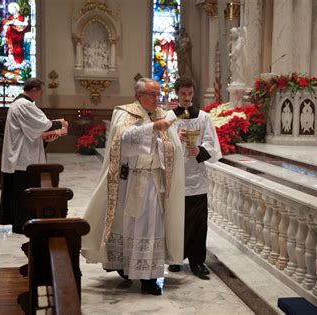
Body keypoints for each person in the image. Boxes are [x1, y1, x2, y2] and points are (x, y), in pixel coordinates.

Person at [81, 78, 185, 296]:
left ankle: (148, 277)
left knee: (150, 228)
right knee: (128, 226)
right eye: (153, 95)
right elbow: (122, 140)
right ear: (140, 96)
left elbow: (168, 145)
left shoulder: (161, 114)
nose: (158, 99)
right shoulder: (125, 112)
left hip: (154, 182)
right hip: (132, 182)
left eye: (159, 94)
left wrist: (174, 139)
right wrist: (152, 128)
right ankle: (125, 268)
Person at [166, 76, 222, 280]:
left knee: (198, 222)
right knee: (176, 220)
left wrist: (199, 150)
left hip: (196, 179)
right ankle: (175, 258)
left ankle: (197, 261)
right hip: (175, 178)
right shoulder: (169, 117)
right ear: (177, 94)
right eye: (183, 94)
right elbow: (160, 144)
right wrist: (175, 139)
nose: (187, 98)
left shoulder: (203, 118)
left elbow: (212, 144)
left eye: (190, 94)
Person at [0, 78, 68, 233]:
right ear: (34, 89)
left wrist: (47, 135)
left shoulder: (22, 103)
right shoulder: (24, 104)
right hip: (22, 157)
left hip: (23, 154)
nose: (41, 95)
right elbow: (42, 124)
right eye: (41, 92)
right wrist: (60, 124)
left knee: (22, 192)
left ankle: (22, 222)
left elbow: (33, 130)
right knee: (24, 192)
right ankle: (23, 224)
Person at [2, 2, 29, 69]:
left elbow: (24, 26)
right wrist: (10, 23)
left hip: (19, 36)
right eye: (11, 10)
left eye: (13, 9)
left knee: (19, 49)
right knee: (11, 50)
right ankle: (13, 62)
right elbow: (5, 24)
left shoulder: (21, 17)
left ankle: (19, 62)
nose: (12, 11)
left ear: (16, 8)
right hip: (11, 37)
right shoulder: (10, 18)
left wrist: (17, 24)